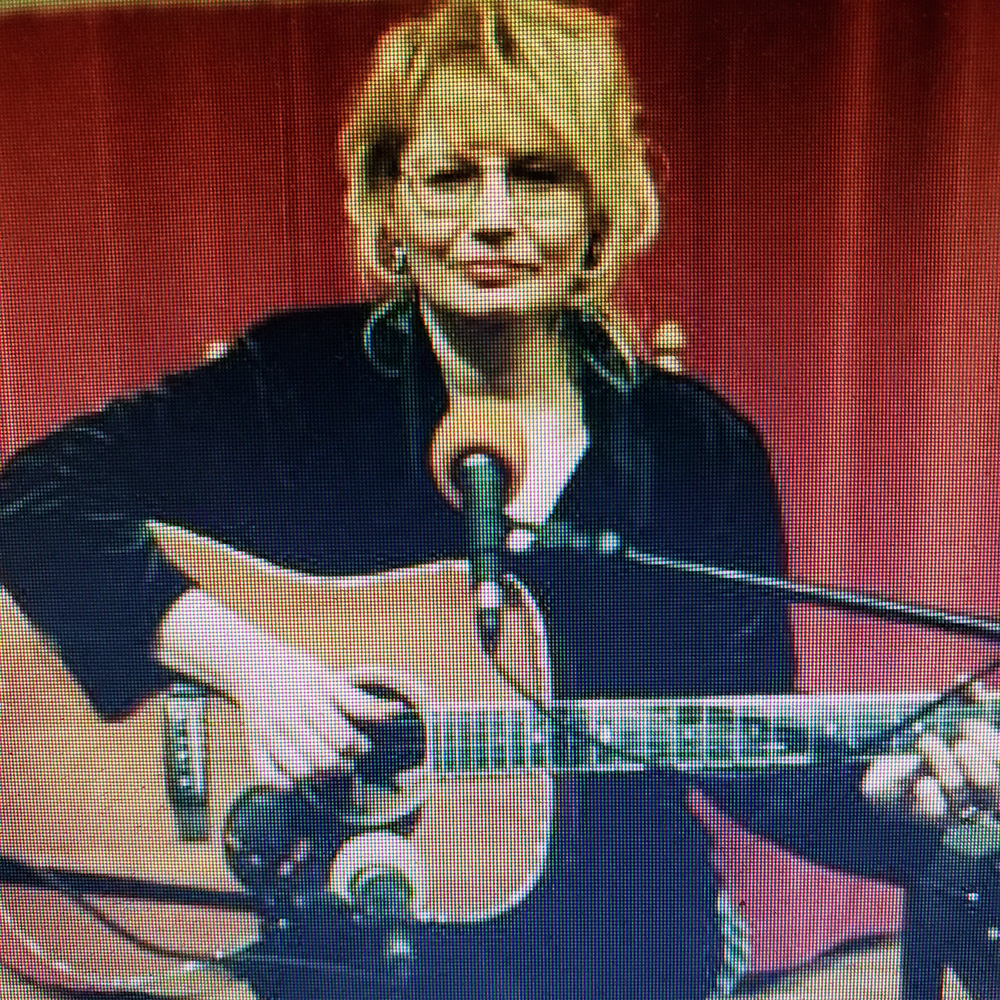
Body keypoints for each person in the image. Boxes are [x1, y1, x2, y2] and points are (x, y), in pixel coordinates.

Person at [0, 1, 997, 998]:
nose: (490, 215)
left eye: (537, 174)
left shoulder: (697, 451)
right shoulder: (299, 381)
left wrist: (889, 797)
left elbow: (756, 756)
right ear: (389, 203)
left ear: (598, 205)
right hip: (339, 952)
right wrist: (259, 670)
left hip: (621, 950)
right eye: (449, 175)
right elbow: (30, 500)